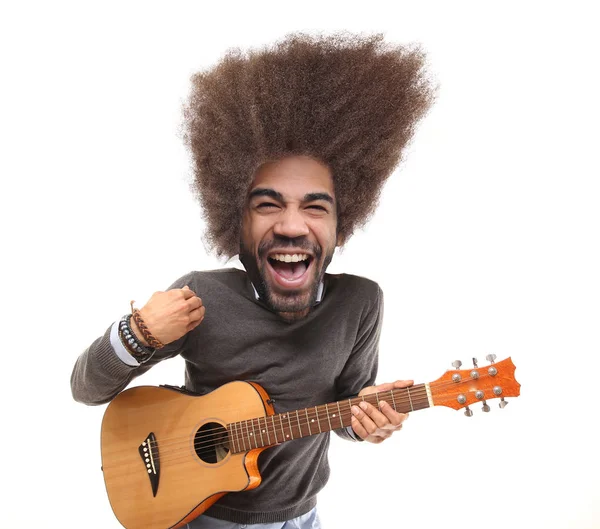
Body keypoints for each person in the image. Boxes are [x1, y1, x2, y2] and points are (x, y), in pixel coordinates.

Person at [71, 33, 434, 528]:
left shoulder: (361, 302)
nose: (290, 225)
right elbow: (86, 388)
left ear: (340, 224)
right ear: (234, 220)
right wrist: (139, 331)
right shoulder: (202, 295)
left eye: (315, 206)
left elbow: (349, 405)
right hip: (202, 517)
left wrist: (369, 424)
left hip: (303, 518)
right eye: (267, 205)